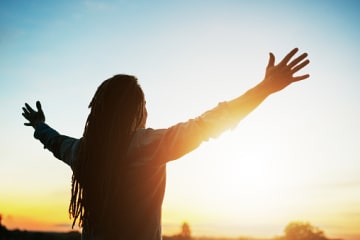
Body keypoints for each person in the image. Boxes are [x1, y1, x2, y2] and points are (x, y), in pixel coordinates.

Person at [22, 48, 310, 240]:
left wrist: (38, 125)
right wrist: (264, 89)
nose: (148, 110)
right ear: (135, 111)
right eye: (143, 104)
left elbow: (54, 141)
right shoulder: (146, 146)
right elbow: (209, 123)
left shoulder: (82, 151)